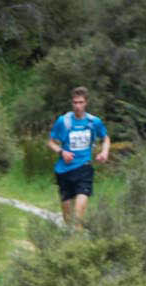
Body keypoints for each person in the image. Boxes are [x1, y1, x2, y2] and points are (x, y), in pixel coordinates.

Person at [49, 87, 110, 228]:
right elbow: (51, 142)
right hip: (64, 170)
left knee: (79, 211)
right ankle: (71, 235)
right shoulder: (63, 121)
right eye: (75, 103)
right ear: (72, 103)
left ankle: (77, 241)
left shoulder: (94, 122)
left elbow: (106, 138)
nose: (78, 106)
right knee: (67, 214)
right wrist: (61, 152)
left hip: (84, 168)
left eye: (81, 102)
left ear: (86, 103)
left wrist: (104, 152)